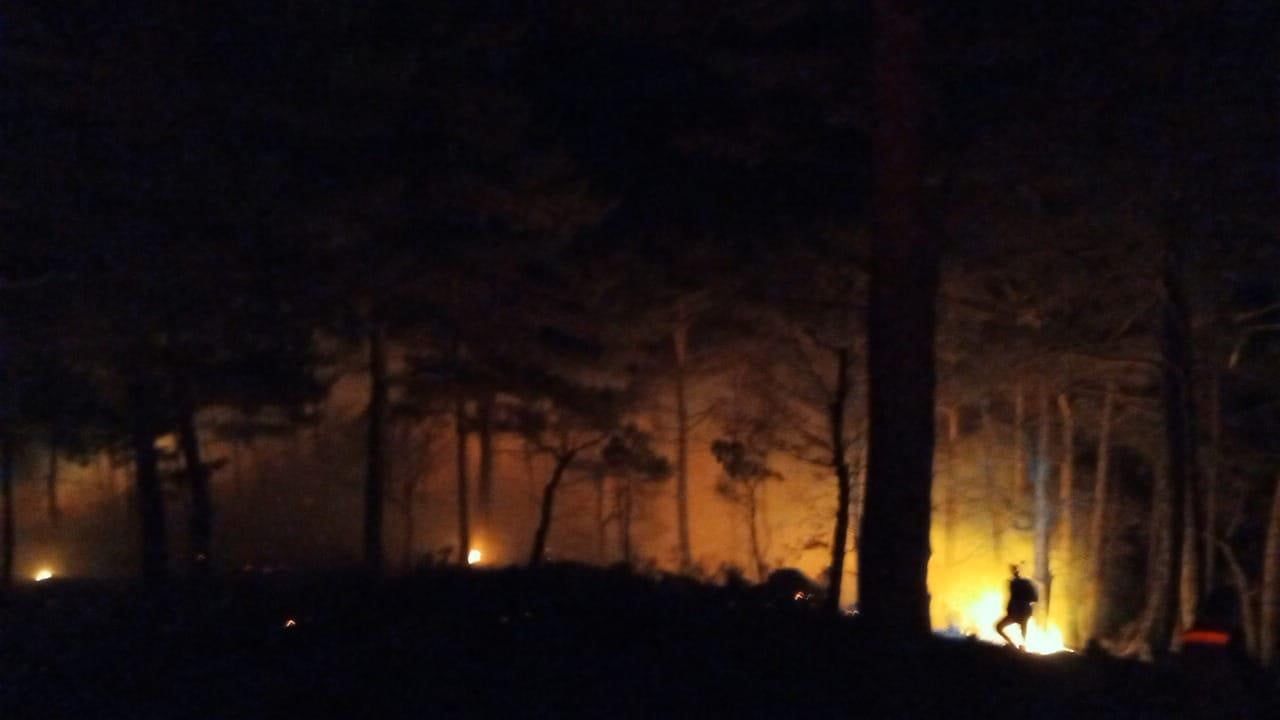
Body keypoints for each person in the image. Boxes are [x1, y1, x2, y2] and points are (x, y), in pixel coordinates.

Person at [995, 564, 1037, 650]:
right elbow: (1034, 598)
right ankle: (1016, 645)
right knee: (1021, 629)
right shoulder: (1021, 583)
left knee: (1000, 627)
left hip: (1019, 611)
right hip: (1022, 611)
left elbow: (1033, 598)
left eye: (1015, 570)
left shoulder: (1016, 583)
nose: (1015, 572)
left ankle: (1019, 646)